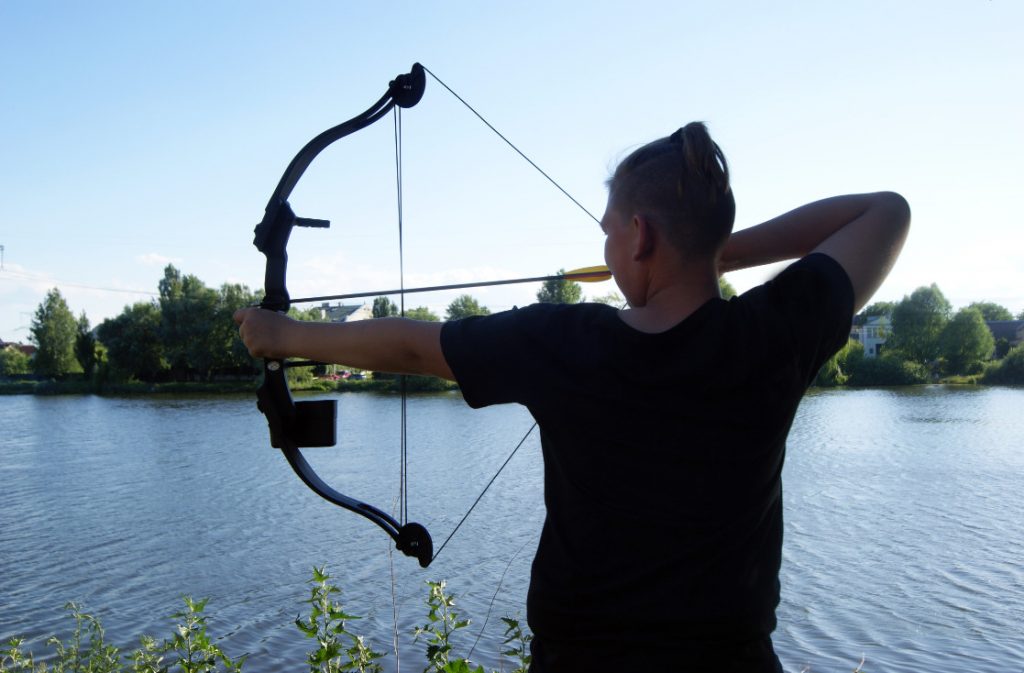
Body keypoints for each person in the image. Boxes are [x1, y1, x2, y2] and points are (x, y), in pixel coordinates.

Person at [235, 122, 910, 672]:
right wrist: (708, 253)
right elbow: (885, 211)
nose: (608, 247)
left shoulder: (564, 341)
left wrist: (285, 335)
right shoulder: (771, 337)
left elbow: (415, 347)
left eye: (611, 229)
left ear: (641, 235)